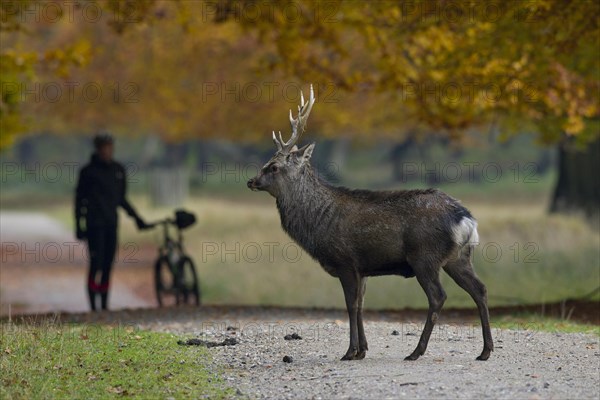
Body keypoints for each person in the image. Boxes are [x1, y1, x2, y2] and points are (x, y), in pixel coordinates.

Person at [75, 132, 149, 311]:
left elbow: (121, 198)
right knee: (96, 263)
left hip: (111, 223)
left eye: (110, 148)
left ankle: (105, 304)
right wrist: (79, 225)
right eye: (104, 148)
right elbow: (79, 200)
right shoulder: (87, 172)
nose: (107, 151)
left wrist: (137, 218)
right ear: (98, 149)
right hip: (94, 224)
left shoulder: (118, 170)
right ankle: (93, 306)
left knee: (108, 264)